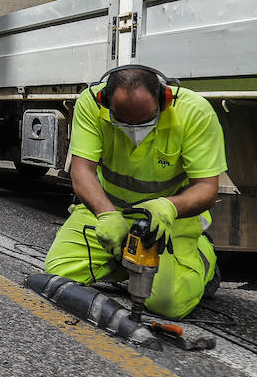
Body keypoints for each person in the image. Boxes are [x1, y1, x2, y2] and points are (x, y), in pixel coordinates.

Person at [43, 65, 225, 320]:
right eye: (122, 120)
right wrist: (106, 214)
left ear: (165, 99)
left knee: (168, 304)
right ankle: (130, 262)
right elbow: (81, 171)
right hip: (108, 210)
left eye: (145, 120)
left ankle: (203, 258)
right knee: (58, 275)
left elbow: (207, 189)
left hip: (167, 221)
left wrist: (168, 207)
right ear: (104, 100)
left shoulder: (195, 112)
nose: (133, 129)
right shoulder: (91, 104)